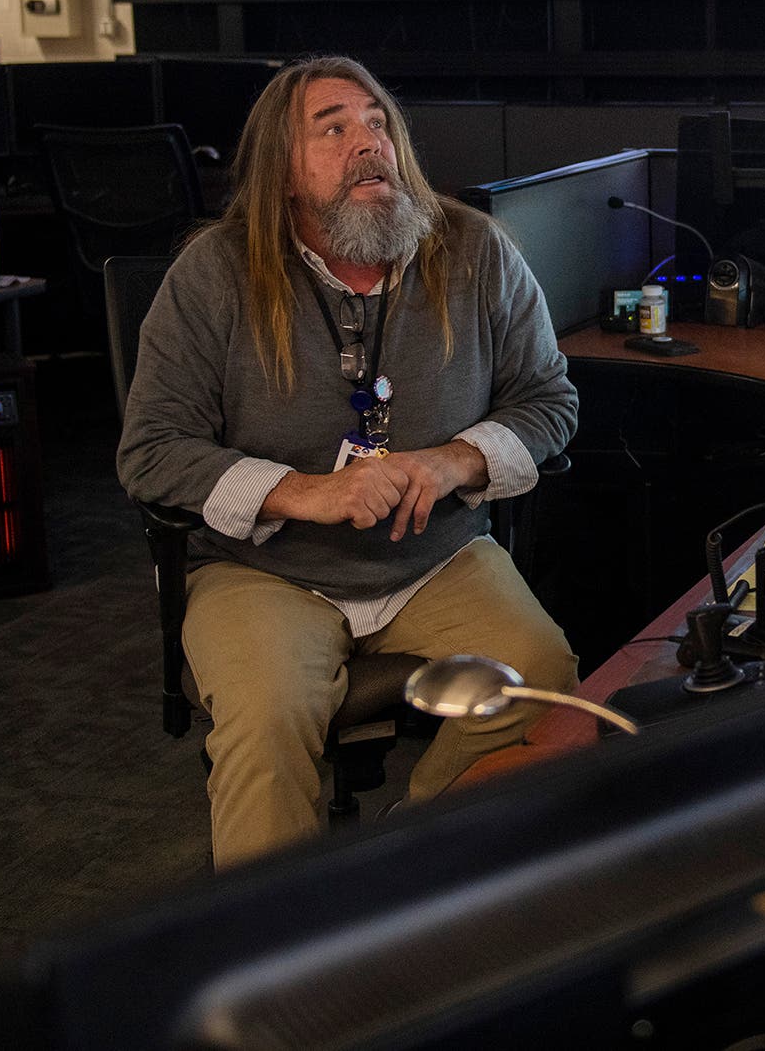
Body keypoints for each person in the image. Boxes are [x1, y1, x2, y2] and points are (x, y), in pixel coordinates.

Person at [118, 56, 579, 868]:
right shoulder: (215, 274)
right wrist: (305, 493)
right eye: (332, 129)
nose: (366, 144)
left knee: (539, 674)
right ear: (283, 174)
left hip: (434, 557)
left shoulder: (477, 251)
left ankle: (403, 859)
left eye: (377, 124)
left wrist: (453, 463)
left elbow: (550, 402)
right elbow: (152, 451)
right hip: (265, 569)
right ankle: (280, 966)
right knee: (266, 720)